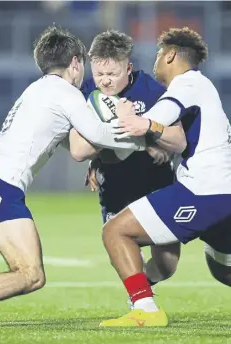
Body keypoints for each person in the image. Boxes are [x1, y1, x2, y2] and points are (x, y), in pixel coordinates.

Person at [0, 25, 145, 329]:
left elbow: (73, 144)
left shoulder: (37, 90)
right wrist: (142, 134)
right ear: (74, 62)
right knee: (30, 273)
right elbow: (97, 133)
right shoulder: (65, 92)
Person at [99, 27, 231, 327]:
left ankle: (145, 309)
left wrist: (128, 116)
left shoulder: (187, 83)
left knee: (115, 231)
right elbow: (164, 133)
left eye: (158, 54)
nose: (155, 62)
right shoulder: (203, 87)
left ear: (170, 55)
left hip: (206, 191)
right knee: (229, 271)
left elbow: (150, 122)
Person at [81, 30, 180, 292]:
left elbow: (177, 134)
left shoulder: (152, 91)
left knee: (167, 264)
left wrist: (162, 147)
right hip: (116, 186)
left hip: (156, 183)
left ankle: (145, 285)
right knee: (123, 247)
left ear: (129, 67)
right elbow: (78, 140)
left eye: (113, 74)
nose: (105, 81)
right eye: (99, 74)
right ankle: (140, 299)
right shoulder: (86, 92)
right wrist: (95, 158)